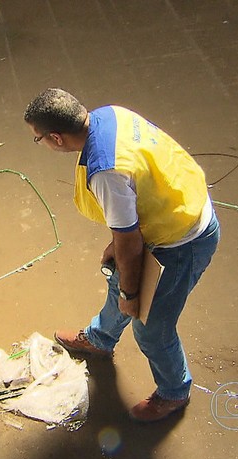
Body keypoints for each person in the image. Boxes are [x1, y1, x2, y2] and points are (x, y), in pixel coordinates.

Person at [24, 88, 220, 422]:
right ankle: (100, 339)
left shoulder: (105, 172)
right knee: (120, 274)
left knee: (152, 328)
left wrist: (131, 292)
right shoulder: (110, 115)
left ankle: (174, 391)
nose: (40, 143)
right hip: (170, 212)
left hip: (182, 241)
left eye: (37, 138)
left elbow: (129, 241)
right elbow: (134, 200)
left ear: (56, 138)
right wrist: (119, 254)